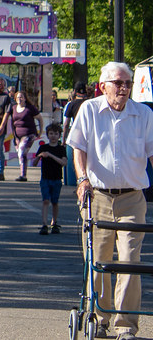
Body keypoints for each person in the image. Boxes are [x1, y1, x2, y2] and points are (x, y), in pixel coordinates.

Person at [68, 62, 153, 340]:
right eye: (118, 83)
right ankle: (99, 317)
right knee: (98, 259)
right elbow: (78, 147)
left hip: (132, 198)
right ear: (103, 85)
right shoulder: (90, 110)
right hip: (99, 197)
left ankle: (126, 325)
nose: (124, 88)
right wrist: (82, 181)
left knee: (130, 260)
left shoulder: (143, 114)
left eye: (127, 83)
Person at [36, 122, 67, 235]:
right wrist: (40, 156)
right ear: (48, 135)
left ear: (59, 135)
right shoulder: (43, 147)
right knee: (45, 200)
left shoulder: (61, 149)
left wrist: (51, 155)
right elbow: (34, 163)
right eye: (51, 133)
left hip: (57, 179)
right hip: (45, 178)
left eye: (56, 134)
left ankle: (54, 222)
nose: (53, 136)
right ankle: (44, 224)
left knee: (55, 201)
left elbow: (64, 162)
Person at [10, 90, 42, 181]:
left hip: (29, 134)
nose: (19, 99)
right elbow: (12, 122)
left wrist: (40, 131)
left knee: (21, 152)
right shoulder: (14, 108)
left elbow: (40, 118)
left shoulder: (30, 108)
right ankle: (23, 174)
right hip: (17, 134)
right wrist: (14, 135)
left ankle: (23, 175)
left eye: (21, 97)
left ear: (25, 99)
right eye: (18, 97)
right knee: (21, 154)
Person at [61, 81, 89, 187]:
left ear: (75, 92)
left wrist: (64, 139)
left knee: (74, 159)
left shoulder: (71, 104)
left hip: (76, 133)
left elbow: (66, 124)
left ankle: (75, 182)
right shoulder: (89, 103)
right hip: (88, 134)